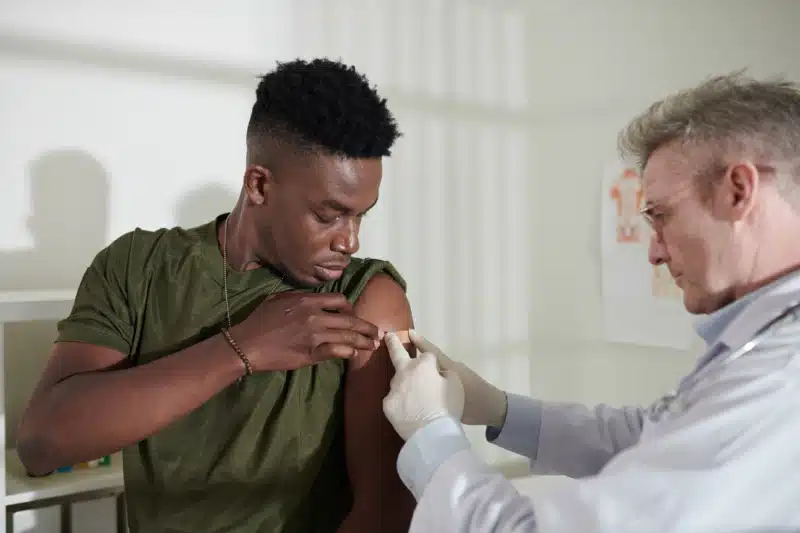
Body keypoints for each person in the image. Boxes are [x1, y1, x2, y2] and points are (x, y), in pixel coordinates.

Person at [382, 71, 800, 532]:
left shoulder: (780, 378)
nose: (654, 251)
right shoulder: (766, 348)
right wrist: (497, 408)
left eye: (661, 216)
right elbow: (650, 437)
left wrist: (432, 436)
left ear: (738, 191)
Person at [17, 58, 416, 533]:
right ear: (260, 184)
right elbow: (43, 442)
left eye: (360, 216)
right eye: (328, 215)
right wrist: (243, 349)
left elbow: (386, 513)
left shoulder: (367, 297)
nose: (349, 242)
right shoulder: (138, 268)